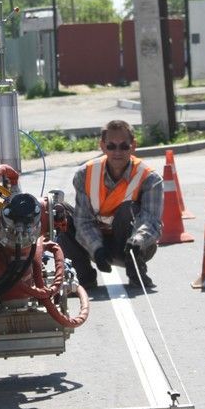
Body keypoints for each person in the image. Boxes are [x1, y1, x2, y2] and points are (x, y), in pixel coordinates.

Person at [56, 120, 163, 293]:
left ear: (133, 146)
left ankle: (136, 271)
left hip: (133, 247)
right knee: (58, 213)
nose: (117, 152)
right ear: (103, 146)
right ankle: (83, 278)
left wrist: (137, 242)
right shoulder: (85, 174)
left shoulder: (150, 178)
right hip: (95, 246)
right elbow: (83, 221)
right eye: (111, 146)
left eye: (124, 146)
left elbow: (152, 221)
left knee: (127, 209)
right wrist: (97, 249)